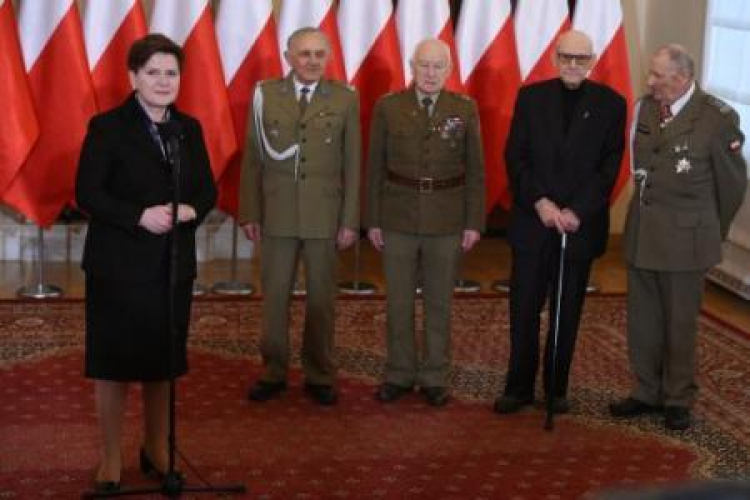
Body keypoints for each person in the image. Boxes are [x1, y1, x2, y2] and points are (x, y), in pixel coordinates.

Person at [76, 34, 216, 492]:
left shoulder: (188, 129)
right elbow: (89, 193)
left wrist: (192, 209)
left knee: (164, 362)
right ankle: (111, 456)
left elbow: (206, 190)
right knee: (114, 364)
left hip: (172, 267)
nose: (162, 81)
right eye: (152, 72)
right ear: (133, 77)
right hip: (118, 265)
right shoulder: (107, 127)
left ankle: (157, 448)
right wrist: (139, 216)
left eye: (170, 73)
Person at [610, 44, 746, 431]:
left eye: (658, 76)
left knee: (680, 322)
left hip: (687, 240)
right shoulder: (647, 107)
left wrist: (707, 231)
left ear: (682, 78)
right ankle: (645, 390)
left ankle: (678, 397)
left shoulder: (717, 118)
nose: (650, 82)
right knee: (644, 320)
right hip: (644, 233)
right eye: (651, 75)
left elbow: (732, 185)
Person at [494, 30, 627, 415]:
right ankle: (518, 388)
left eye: (581, 58)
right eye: (566, 57)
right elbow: (515, 157)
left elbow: (609, 167)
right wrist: (540, 202)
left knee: (566, 312)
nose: (573, 64)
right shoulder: (531, 97)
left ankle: (557, 388)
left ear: (593, 61)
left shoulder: (611, 104)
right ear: (554, 58)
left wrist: (576, 211)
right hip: (534, 221)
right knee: (523, 309)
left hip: (577, 227)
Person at [238, 27, 360, 406]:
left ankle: (319, 373)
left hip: (325, 214)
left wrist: (350, 219)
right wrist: (250, 212)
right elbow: (253, 160)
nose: (311, 61)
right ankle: (274, 370)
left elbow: (352, 164)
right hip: (277, 213)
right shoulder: (265, 95)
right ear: (288, 56)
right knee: (274, 297)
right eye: (304, 54)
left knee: (322, 298)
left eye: (319, 54)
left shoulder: (344, 98)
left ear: (327, 58)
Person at [366, 38, 485, 407]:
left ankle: (435, 375)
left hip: (447, 219)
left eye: (438, 66)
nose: (430, 73)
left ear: (448, 70)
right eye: (424, 65)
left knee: (439, 303)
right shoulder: (389, 107)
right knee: (398, 302)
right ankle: (400, 373)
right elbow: (373, 169)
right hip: (397, 217)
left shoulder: (463, 109)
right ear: (411, 66)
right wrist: (372, 220)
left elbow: (476, 172)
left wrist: (473, 223)